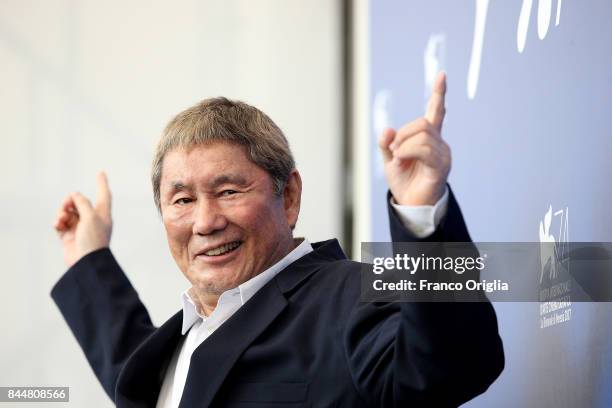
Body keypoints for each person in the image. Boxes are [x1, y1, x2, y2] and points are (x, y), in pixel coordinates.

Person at [51, 72, 504, 407]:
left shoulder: (352, 297)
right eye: (182, 200)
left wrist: (422, 218)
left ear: (288, 195)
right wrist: (89, 260)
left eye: (228, 192)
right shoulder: (179, 348)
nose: (205, 221)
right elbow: (136, 376)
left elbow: (452, 365)